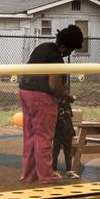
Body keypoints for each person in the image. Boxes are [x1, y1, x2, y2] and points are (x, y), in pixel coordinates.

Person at [19, 24, 83, 184]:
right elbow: (54, 85)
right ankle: (46, 175)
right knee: (44, 137)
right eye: (71, 49)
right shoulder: (56, 58)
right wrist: (67, 96)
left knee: (30, 136)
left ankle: (28, 174)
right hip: (42, 97)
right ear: (64, 46)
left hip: (25, 92)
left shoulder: (42, 48)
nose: (70, 52)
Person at [53, 71, 78, 178]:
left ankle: (69, 170)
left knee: (68, 150)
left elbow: (69, 115)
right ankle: (54, 170)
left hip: (67, 128)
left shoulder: (66, 99)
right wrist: (68, 98)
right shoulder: (55, 97)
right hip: (57, 129)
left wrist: (69, 98)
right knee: (55, 150)